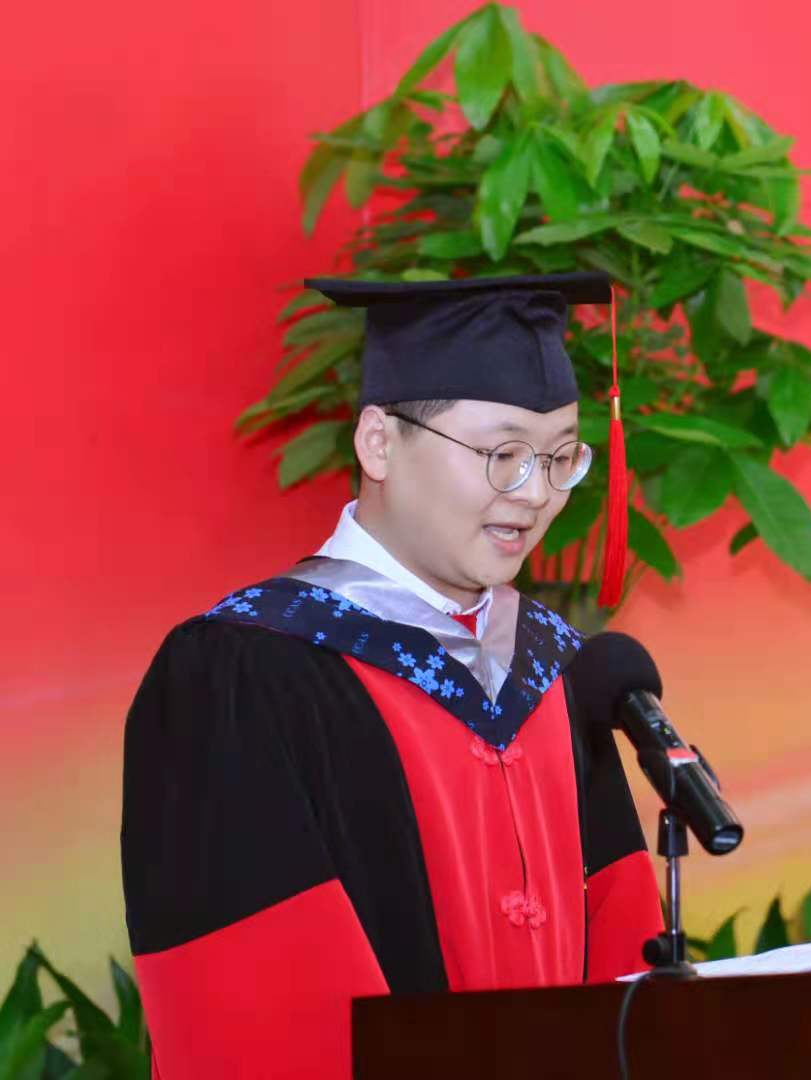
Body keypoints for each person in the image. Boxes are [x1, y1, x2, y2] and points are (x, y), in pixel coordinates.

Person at [121, 272, 662, 1080]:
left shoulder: (555, 665)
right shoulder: (244, 671)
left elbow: (620, 938)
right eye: (503, 454)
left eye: (559, 458)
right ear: (378, 443)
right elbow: (253, 1004)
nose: (536, 494)